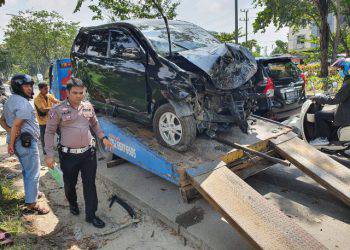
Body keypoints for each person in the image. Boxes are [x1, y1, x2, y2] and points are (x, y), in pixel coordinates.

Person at [44, 77, 113, 228]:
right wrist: (49, 154)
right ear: (67, 92)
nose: (78, 96)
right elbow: (49, 132)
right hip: (69, 156)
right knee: (70, 184)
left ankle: (91, 215)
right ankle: (73, 204)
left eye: (81, 93)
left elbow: (94, 124)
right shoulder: (58, 110)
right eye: (75, 92)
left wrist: (103, 137)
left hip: (88, 153)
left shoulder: (88, 106)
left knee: (90, 184)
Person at [0, 74, 49, 214]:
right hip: (24, 143)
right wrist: (12, 139)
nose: (29, 89)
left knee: (27, 169)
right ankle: (32, 204)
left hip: (17, 141)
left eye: (30, 86)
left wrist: (10, 134)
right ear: (18, 87)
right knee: (33, 171)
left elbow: (2, 120)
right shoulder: (23, 103)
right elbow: (16, 125)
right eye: (26, 86)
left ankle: (32, 193)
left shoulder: (11, 100)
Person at [310, 58, 350, 146]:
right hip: (345, 111)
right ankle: (329, 135)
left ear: (347, 68)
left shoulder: (348, 83)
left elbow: (335, 100)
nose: (339, 71)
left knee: (319, 115)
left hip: (346, 115)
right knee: (325, 113)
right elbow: (341, 96)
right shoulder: (347, 81)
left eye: (341, 68)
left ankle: (323, 138)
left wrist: (319, 98)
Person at [34, 82, 60, 155]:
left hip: (52, 119)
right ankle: (46, 153)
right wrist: (54, 107)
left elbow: (56, 101)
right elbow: (42, 109)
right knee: (44, 138)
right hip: (43, 121)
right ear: (40, 89)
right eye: (45, 89)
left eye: (47, 88)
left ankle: (62, 147)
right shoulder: (37, 99)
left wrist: (64, 103)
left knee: (61, 132)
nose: (47, 90)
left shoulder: (49, 96)